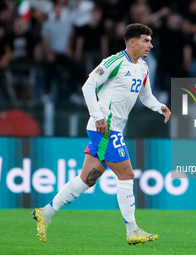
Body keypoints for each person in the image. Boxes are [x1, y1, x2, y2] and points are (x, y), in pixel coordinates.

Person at [32, 23, 171, 245]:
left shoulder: (143, 67)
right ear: (132, 42)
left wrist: (159, 106)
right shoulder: (114, 62)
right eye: (146, 40)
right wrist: (98, 116)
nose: (150, 45)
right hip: (105, 127)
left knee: (87, 179)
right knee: (126, 175)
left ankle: (45, 213)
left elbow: (146, 96)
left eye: (151, 40)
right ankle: (132, 230)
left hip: (113, 128)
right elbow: (88, 86)